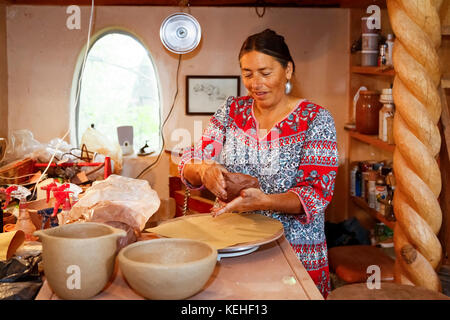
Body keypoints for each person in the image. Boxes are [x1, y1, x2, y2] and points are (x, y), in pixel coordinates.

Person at [178, 29, 338, 298]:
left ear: (288, 70)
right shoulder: (231, 111)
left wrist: (264, 201)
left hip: (295, 249)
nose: (256, 83)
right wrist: (204, 170)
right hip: (233, 244)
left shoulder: (316, 119)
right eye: (248, 73)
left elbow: (315, 193)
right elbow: (190, 159)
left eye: (265, 73)